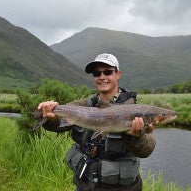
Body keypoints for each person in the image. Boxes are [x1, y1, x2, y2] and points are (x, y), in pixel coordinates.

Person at [38, 53, 156, 191]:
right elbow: (58, 124)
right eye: (96, 73)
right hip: (85, 185)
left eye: (107, 72)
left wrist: (136, 137)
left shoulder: (134, 110)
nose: (102, 77)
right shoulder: (83, 105)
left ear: (118, 74)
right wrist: (50, 117)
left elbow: (147, 149)